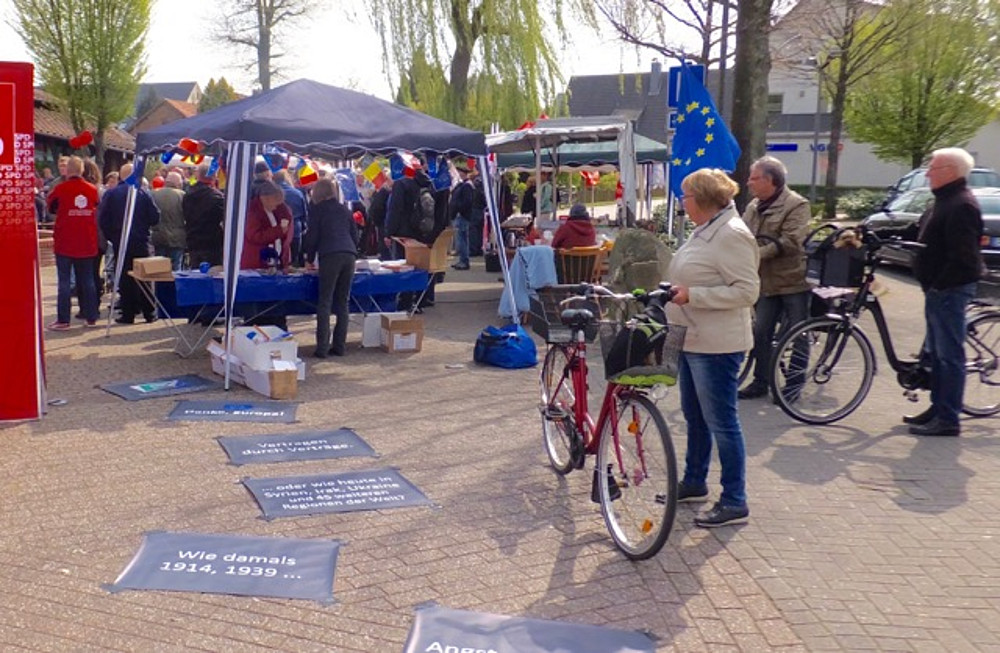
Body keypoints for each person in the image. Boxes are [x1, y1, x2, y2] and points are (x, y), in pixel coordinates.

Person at [667, 168, 760, 527]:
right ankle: (694, 481)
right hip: (693, 338)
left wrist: (694, 295)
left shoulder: (732, 234)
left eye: (686, 197)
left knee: (722, 422)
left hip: (717, 345)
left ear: (703, 199)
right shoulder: (707, 228)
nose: (682, 203)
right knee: (695, 417)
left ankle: (735, 500)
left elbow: (747, 291)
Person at [899, 147, 984, 436]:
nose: (928, 174)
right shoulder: (943, 201)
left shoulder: (961, 205)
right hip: (938, 290)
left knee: (949, 357)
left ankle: (948, 419)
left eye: (933, 169)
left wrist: (940, 285)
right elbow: (917, 233)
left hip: (949, 290)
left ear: (950, 172)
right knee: (936, 356)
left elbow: (964, 258)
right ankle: (937, 408)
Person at [738, 156, 812, 400]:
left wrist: (755, 255)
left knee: (798, 334)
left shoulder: (796, 205)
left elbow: (791, 241)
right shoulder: (753, 206)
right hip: (766, 283)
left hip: (792, 282)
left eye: (754, 178)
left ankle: (794, 384)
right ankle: (761, 382)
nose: (748, 182)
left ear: (770, 180)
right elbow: (742, 235)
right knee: (761, 333)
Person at [302, 178, 358, 358]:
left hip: (330, 254)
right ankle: (339, 346)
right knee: (343, 301)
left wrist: (309, 258)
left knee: (325, 301)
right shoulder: (344, 209)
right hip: (349, 253)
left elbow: (312, 236)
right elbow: (354, 234)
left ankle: (322, 348)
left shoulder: (317, 210)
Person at [98, 163, 161, 324]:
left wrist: (113, 236)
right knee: (145, 277)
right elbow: (155, 217)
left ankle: (128, 313)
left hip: (121, 241)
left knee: (125, 278)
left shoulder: (111, 194)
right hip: (141, 241)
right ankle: (149, 312)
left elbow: (103, 219)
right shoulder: (143, 193)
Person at [46, 156, 100, 329]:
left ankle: (63, 320)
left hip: (65, 242)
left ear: (68, 171)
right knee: (88, 280)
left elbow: (51, 207)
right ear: (82, 170)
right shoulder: (92, 190)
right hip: (87, 241)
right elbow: (97, 207)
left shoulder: (60, 189)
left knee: (64, 282)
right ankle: (91, 317)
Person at [241, 180, 293, 270]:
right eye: (276, 202)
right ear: (266, 198)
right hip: (256, 262)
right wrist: (279, 230)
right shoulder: (253, 211)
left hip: (274, 261)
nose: (276, 206)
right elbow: (255, 236)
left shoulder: (277, 209)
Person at [183, 162, 226, 267]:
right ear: (214, 177)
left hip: (193, 240)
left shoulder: (187, 195)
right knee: (213, 273)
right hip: (212, 243)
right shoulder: (217, 197)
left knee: (195, 271)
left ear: (198, 175)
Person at [151, 171, 187, 270]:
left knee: (158, 270)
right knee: (176, 269)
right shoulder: (182, 195)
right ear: (178, 183)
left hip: (158, 236)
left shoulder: (153, 194)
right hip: (177, 238)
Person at [274, 169, 309, 266]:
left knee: (278, 258)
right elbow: (304, 213)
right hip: (296, 228)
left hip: (277, 228)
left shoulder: (273, 193)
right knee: (294, 259)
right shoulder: (297, 193)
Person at [448, 161, 475, 270]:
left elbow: (467, 202)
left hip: (462, 215)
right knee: (461, 239)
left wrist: (458, 208)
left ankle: (464, 261)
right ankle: (462, 260)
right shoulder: (462, 185)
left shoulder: (467, 186)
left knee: (462, 239)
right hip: (460, 214)